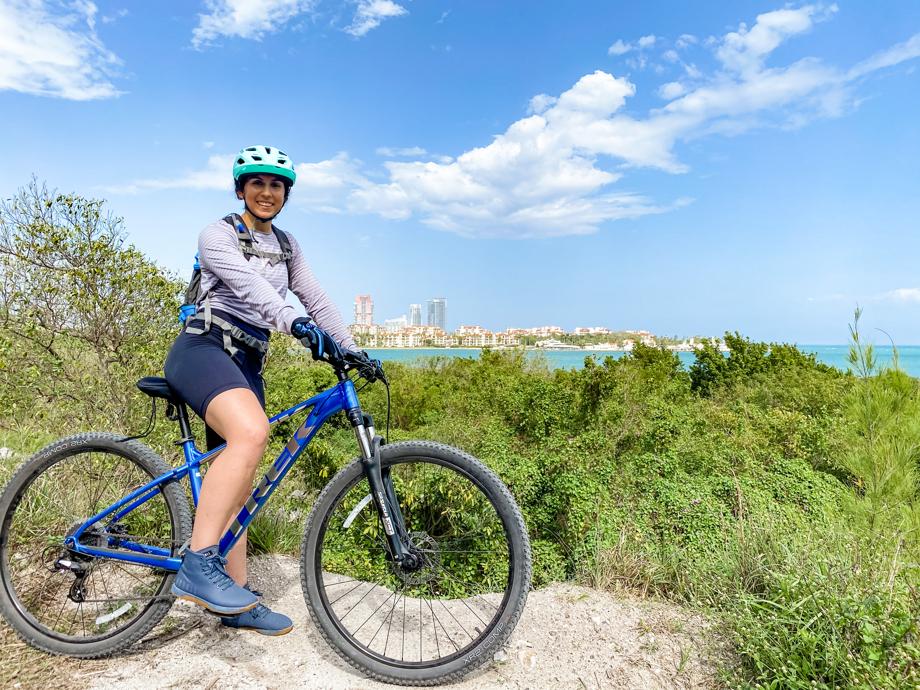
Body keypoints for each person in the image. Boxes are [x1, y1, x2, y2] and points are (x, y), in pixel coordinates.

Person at [164, 145, 357, 636]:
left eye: (276, 185)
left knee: (240, 481)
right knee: (251, 434)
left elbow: (315, 297)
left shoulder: (289, 247)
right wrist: (294, 323)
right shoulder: (218, 234)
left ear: (285, 193)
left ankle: (236, 599)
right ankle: (197, 562)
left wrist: (352, 349)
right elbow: (252, 288)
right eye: (257, 183)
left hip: (247, 360)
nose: (267, 192)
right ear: (241, 190)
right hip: (204, 348)